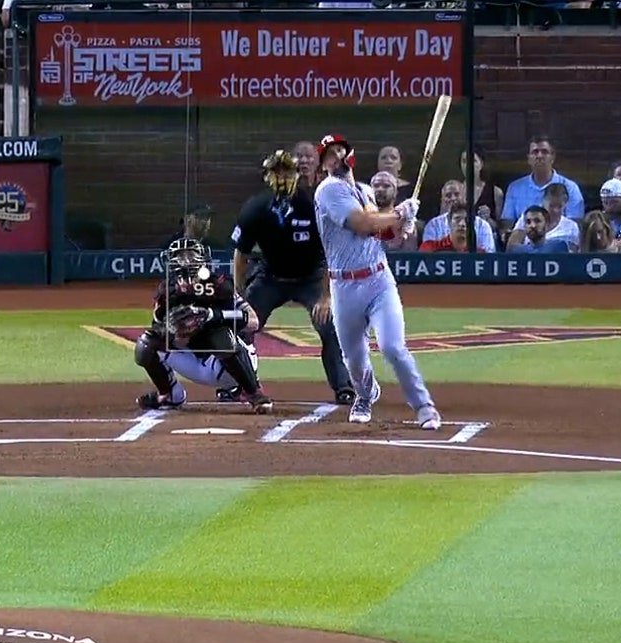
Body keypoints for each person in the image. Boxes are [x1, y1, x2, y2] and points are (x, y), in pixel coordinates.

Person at [312, 133, 441, 430]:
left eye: (340, 150)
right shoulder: (328, 190)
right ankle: (365, 394)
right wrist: (398, 213)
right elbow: (363, 224)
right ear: (324, 166)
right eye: (330, 155)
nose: (337, 157)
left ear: (351, 154)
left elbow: (380, 234)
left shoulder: (365, 191)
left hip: (379, 281)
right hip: (343, 287)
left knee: (393, 347)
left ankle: (424, 406)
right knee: (354, 360)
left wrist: (402, 226)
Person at [229, 148, 354, 405]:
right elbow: (240, 254)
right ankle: (239, 383)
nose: (282, 176)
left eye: (287, 170)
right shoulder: (255, 208)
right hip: (271, 276)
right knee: (241, 325)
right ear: (266, 176)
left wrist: (326, 296)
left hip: (312, 276)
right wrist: (239, 295)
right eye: (276, 171)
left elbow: (332, 252)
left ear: (297, 174)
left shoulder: (313, 205)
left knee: (330, 325)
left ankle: (343, 385)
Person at [133, 237, 272, 414]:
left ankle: (253, 392)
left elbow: (253, 322)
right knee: (146, 344)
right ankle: (169, 394)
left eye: (190, 255)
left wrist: (212, 316)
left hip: (233, 362)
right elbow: (164, 335)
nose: (185, 261)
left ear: (202, 258)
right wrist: (182, 332)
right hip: (197, 362)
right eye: (180, 257)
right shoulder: (168, 292)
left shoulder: (219, 285)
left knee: (220, 336)